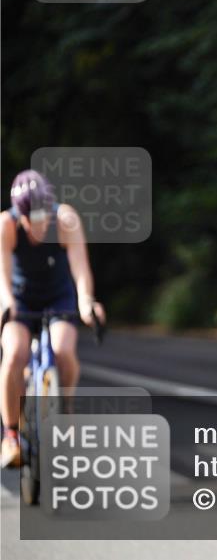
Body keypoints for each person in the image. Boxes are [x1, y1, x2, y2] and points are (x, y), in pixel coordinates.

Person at [0, 170, 106, 468]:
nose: (39, 225)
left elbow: (81, 269)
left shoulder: (66, 220)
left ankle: (65, 404)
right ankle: (10, 434)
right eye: (31, 220)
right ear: (19, 214)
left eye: (43, 217)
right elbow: (2, 276)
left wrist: (87, 302)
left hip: (58, 298)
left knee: (63, 351)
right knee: (14, 354)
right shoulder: (5, 225)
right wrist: (7, 304)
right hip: (20, 300)